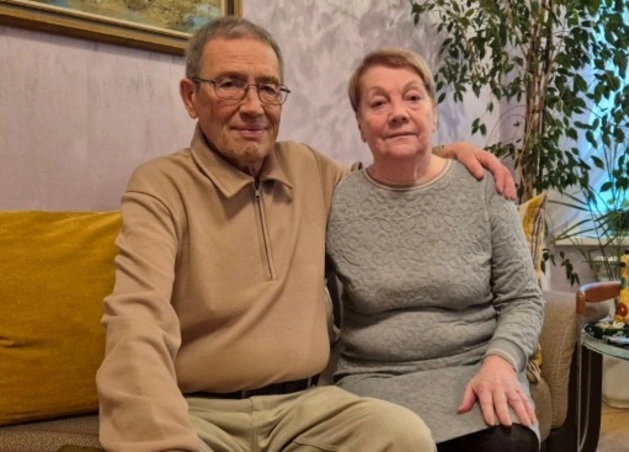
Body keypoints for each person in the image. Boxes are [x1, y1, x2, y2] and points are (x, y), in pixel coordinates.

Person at [95, 16, 516, 452]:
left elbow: (384, 179)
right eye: (230, 84)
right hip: (201, 413)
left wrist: (443, 154)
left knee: (404, 436)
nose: (253, 106)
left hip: (307, 408)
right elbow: (137, 320)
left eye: (268, 88)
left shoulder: (308, 169)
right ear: (191, 96)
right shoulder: (161, 185)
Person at [325, 48, 545, 452]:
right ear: (360, 125)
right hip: (372, 383)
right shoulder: (335, 199)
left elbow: (524, 299)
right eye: (378, 103)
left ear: (434, 113)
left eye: (413, 97)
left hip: (477, 370)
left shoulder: (483, 187)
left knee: (508, 446)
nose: (398, 113)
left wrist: (501, 361)